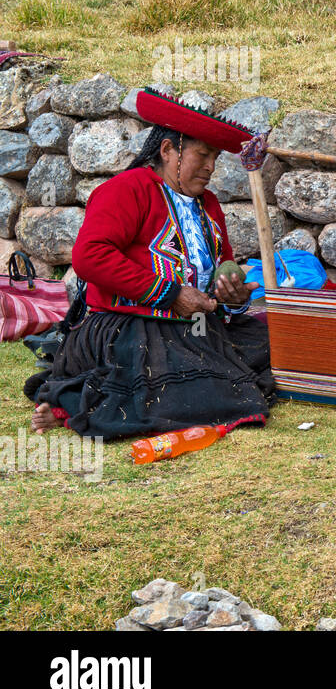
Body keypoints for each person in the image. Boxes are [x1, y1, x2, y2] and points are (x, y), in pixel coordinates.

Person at [26, 89, 275, 440]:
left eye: (215, 158)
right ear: (168, 150)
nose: (210, 167)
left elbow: (223, 262)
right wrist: (170, 293)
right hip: (129, 327)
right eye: (202, 155)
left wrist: (230, 293)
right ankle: (72, 403)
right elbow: (90, 256)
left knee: (279, 343)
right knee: (193, 388)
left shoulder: (209, 205)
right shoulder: (127, 190)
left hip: (200, 327)